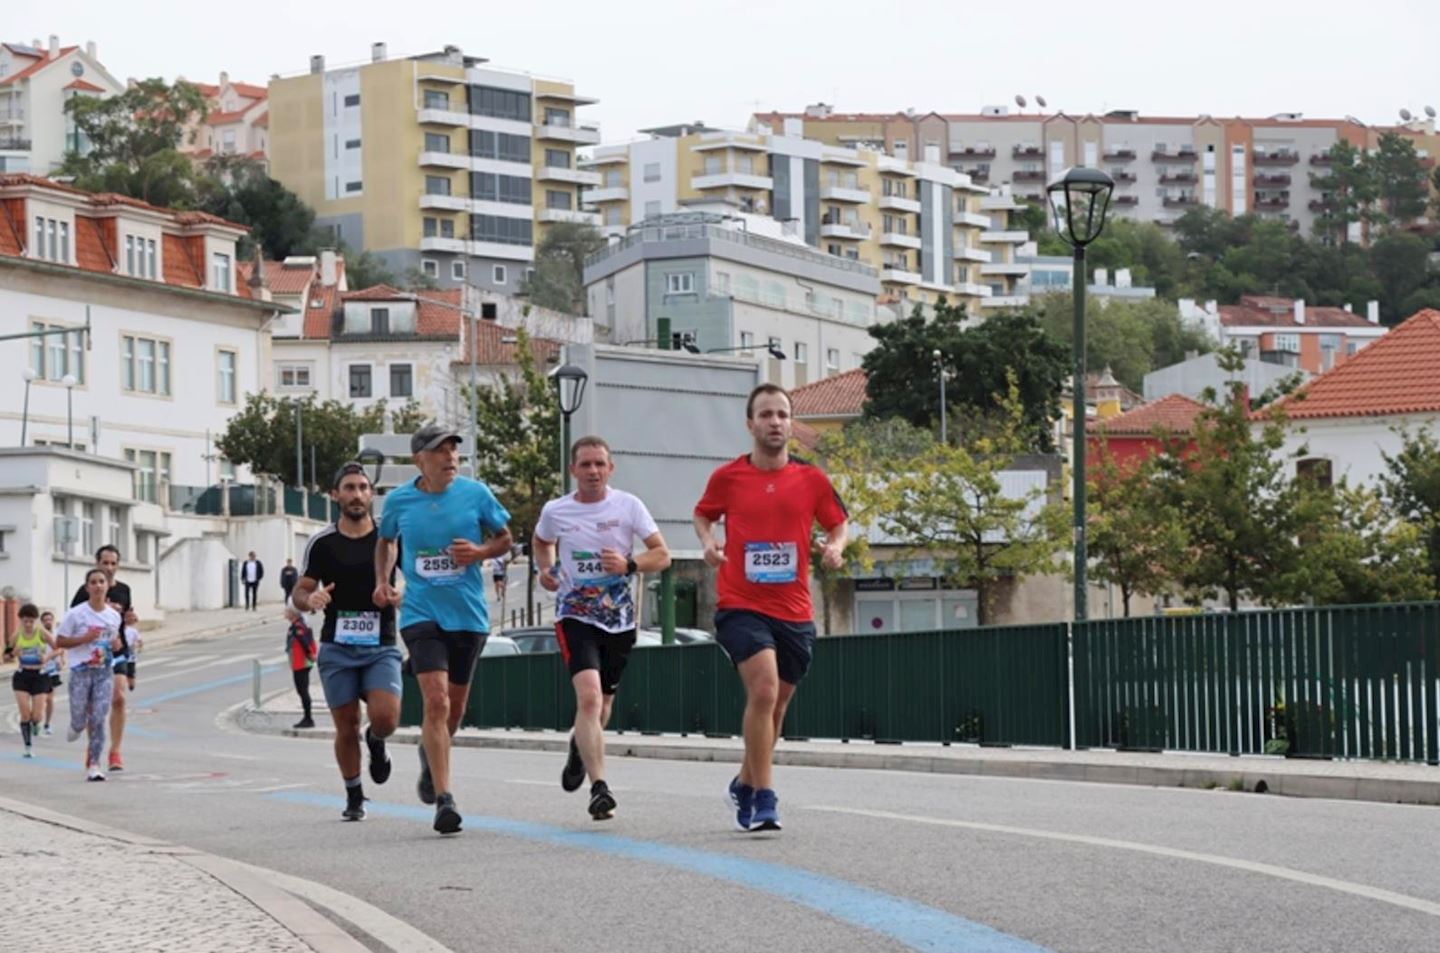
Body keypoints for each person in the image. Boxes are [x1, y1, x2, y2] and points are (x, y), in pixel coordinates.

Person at [693, 383, 847, 833]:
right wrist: (707, 544)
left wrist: (835, 549)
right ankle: (765, 798)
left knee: (776, 709)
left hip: (795, 609)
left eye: (782, 414)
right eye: (766, 414)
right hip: (741, 604)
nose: (775, 422)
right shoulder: (728, 478)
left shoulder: (812, 479)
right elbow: (703, 514)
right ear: (750, 424)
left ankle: (744, 782)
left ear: (791, 423)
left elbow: (839, 525)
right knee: (762, 692)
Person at [376, 424, 512, 834]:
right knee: (435, 702)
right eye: (441, 451)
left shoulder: (476, 494)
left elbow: (506, 538)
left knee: (453, 710)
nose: (450, 457)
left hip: (468, 615)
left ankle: (428, 756)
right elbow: (386, 541)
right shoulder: (400, 501)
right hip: (420, 613)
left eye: (454, 450)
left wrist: (481, 552)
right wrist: (384, 579)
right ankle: (445, 799)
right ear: (420, 459)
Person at [534, 436, 670, 820]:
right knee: (590, 698)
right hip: (574, 614)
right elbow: (541, 541)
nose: (593, 471)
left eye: (599, 464)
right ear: (573, 470)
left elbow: (662, 554)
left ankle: (580, 746)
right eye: (585, 464)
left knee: (603, 704)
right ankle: (599, 789)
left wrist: (629, 564)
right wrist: (544, 570)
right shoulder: (556, 510)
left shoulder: (628, 506)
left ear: (610, 469)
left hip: (619, 619)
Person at [296, 461, 403, 822]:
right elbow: (301, 590)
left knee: (386, 718)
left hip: (381, 644)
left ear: (372, 495)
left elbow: (410, 581)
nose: (356, 494)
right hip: (337, 647)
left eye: (362, 487)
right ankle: (354, 794)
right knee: (345, 725)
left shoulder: (389, 538)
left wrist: (399, 594)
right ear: (335, 495)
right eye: (349, 488)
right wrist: (309, 601)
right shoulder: (322, 543)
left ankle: (377, 741)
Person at [55, 568, 125, 780]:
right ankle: (76, 725)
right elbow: (60, 641)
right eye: (93, 582)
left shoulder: (113, 616)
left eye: (101, 581)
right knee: (80, 718)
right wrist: (85, 639)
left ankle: (94, 764)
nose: (97, 586)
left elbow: (117, 642)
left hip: (103, 671)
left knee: (98, 718)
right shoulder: (76, 614)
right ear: (87, 588)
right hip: (80, 671)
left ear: (106, 586)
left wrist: (115, 644)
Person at [7, 604, 57, 758]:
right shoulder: (16, 636)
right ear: (21, 621)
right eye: (25, 621)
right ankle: (28, 747)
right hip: (22, 675)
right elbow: (6, 656)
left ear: (36, 621)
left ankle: (36, 724)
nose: (28, 625)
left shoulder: (42, 633)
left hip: (39, 675)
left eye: (31, 621)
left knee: (36, 715)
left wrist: (47, 657)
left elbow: (59, 648)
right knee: (24, 714)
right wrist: (13, 654)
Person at [106, 606, 141, 772]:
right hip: (92, 656)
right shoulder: (85, 596)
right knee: (93, 707)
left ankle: (115, 751)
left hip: (118, 654)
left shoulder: (123, 590)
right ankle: (93, 749)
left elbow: (129, 618)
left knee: (119, 699)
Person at [70, 544, 132, 614]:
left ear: (118, 565)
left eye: (113, 563)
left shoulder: (124, 589)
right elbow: (73, 616)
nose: (109, 568)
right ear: (97, 563)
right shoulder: (87, 589)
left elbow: (126, 617)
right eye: (105, 563)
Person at [284, 608, 318, 729]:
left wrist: (310, 654)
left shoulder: (298, 626)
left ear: (293, 614)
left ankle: (308, 718)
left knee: (303, 691)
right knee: (302, 691)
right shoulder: (298, 624)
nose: (285, 613)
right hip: (300, 662)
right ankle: (307, 717)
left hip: (301, 663)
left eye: (287, 611)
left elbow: (304, 641)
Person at [39, 610, 60, 734]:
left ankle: (47, 724)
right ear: (42, 622)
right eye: (45, 620)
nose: (48, 622)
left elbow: (61, 648)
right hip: (40, 670)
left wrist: (61, 660)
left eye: (50, 619)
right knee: (41, 698)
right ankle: (36, 720)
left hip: (52, 670)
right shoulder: (40, 635)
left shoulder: (57, 634)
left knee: (50, 699)